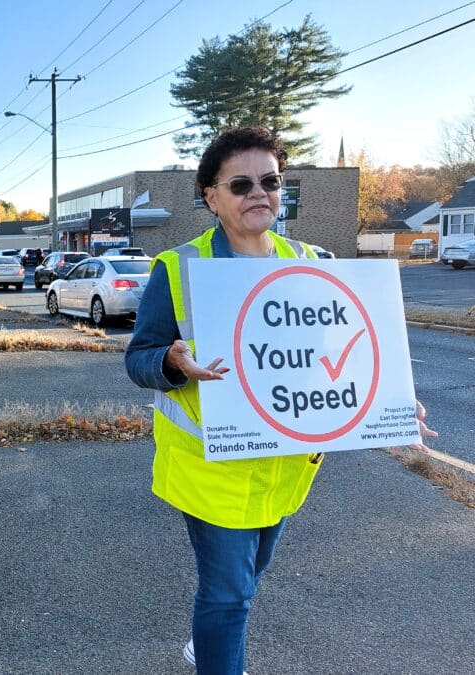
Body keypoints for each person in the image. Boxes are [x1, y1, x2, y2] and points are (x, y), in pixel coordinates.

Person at [124, 126, 437, 675]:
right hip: (211, 470)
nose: (258, 193)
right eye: (240, 184)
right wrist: (171, 362)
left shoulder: (314, 261)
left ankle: (212, 639)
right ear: (210, 197)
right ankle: (218, 651)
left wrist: (390, 404)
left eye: (270, 181)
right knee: (227, 596)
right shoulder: (177, 269)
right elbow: (139, 358)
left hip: (288, 468)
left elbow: (348, 353)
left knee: (249, 575)